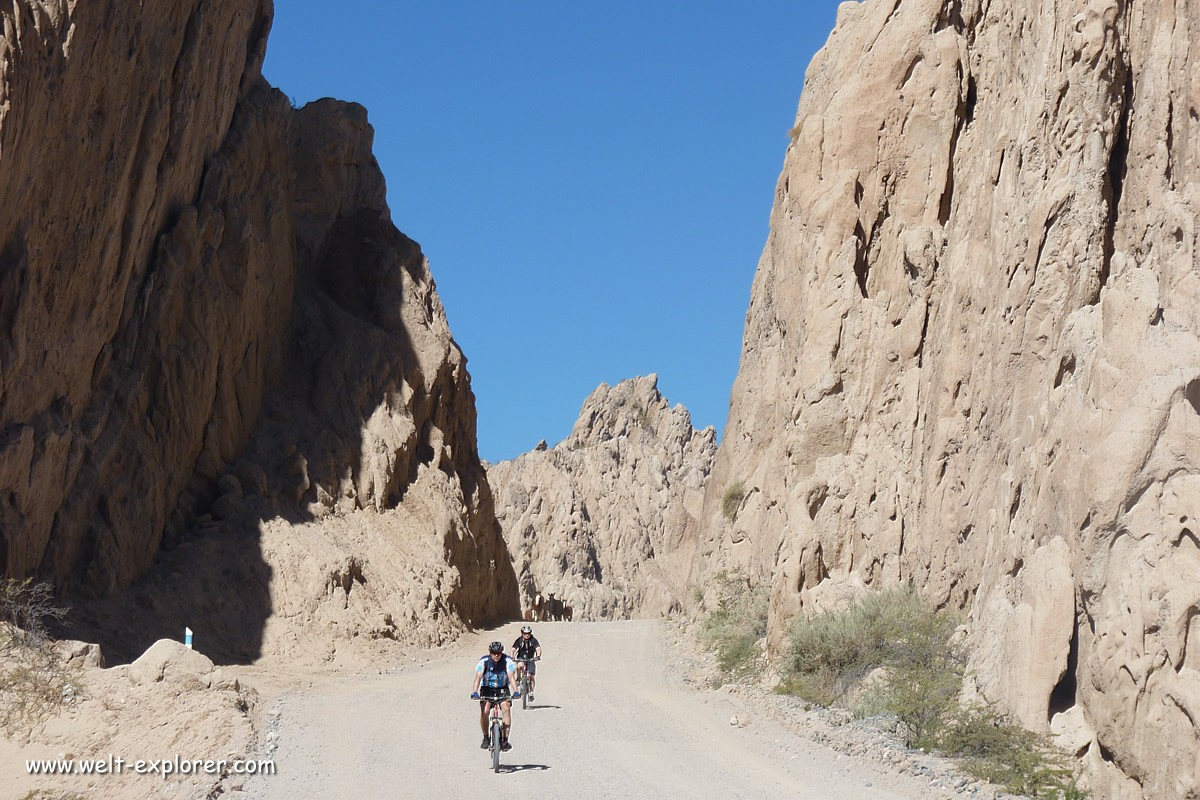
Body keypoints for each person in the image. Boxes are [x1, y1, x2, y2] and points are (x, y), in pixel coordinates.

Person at [470, 641, 518, 751]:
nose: (496, 655)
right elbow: (478, 678)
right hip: (487, 689)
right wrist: (475, 692)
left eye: (499, 653)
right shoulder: (484, 661)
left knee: (506, 708)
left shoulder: (507, 661)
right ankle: (486, 737)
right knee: (485, 710)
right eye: (494, 653)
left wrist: (516, 691)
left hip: (502, 689)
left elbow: (511, 677)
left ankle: (505, 739)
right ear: (490, 653)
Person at [510, 624, 542, 701]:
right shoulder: (519, 640)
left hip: (531, 659)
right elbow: (513, 649)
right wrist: (512, 656)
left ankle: (531, 692)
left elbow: (538, 648)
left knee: (531, 676)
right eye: (525, 633)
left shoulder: (533, 640)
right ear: (522, 633)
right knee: (519, 666)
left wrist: (538, 656)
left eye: (528, 633)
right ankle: (518, 678)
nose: (526, 635)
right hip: (521, 657)